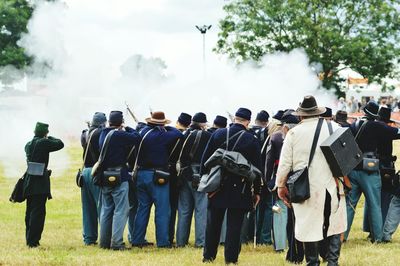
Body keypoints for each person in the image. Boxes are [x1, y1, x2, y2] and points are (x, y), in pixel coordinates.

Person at [277, 96, 347, 266]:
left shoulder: (294, 133)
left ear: (301, 115)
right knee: (334, 226)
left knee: (308, 228)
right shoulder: (335, 127)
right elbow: (347, 159)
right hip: (332, 186)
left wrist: (280, 186)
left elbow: (285, 164)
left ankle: (313, 263)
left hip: (306, 188)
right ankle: (332, 262)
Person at [202, 107, 262, 264]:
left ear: (235, 118)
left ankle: (208, 256)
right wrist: (257, 191)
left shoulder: (218, 134)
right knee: (235, 226)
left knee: (213, 223)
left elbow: (205, 160)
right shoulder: (252, 139)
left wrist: (207, 181)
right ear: (248, 121)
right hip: (240, 187)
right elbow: (257, 170)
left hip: (217, 184)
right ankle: (231, 259)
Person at [345, 102, 400, 243]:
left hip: (352, 169)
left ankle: (342, 236)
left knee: (350, 205)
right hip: (369, 170)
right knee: (375, 204)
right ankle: (377, 237)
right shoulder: (376, 125)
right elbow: (397, 133)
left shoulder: (354, 125)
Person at [131, 111, 182, 248]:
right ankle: (163, 242)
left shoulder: (141, 132)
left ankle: (137, 239)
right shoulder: (162, 134)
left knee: (142, 209)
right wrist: (165, 126)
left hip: (141, 174)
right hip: (157, 175)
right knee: (162, 210)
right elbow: (178, 134)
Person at [98, 111, 141, 250]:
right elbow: (137, 137)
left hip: (105, 176)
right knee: (121, 211)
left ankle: (104, 243)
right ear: (120, 121)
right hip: (119, 175)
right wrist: (128, 127)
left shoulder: (103, 133)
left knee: (106, 210)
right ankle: (116, 242)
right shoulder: (118, 134)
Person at [23, 122, 64, 247]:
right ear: (45, 133)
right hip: (40, 182)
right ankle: (33, 242)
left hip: (29, 180)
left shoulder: (28, 144)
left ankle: (29, 238)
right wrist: (48, 137)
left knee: (29, 211)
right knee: (38, 212)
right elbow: (60, 143)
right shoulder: (44, 142)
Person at [176, 112, 212, 247]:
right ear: (203, 124)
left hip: (185, 174)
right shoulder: (208, 136)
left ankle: (181, 241)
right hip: (200, 174)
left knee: (184, 210)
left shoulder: (183, 135)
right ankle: (200, 242)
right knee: (201, 210)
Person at [362, 107, 397, 238]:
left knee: (372, 198)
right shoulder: (384, 129)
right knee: (384, 198)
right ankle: (378, 229)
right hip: (385, 166)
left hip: (374, 165)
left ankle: (370, 228)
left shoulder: (373, 126)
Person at [80, 112, 107, 245]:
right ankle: (104, 237)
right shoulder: (100, 133)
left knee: (88, 208)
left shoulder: (85, 133)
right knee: (102, 206)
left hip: (85, 171)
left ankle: (89, 238)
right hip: (96, 171)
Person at [169, 112, 192, 244]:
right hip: (180, 173)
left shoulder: (170, 133)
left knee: (171, 208)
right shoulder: (184, 136)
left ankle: (170, 236)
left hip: (169, 172)